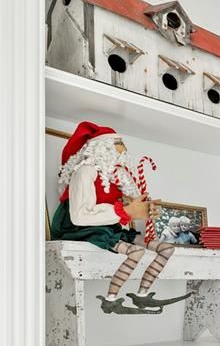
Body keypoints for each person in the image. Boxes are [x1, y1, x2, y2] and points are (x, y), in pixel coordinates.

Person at [50, 121, 189, 314]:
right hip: (81, 229)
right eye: (118, 145)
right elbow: (79, 217)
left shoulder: (117, 176)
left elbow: (128, 209)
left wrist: (144, 210)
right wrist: (125, 212)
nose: (123, 149)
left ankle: (142, 295)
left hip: (110, 227)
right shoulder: (85, 172)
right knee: (136, 252)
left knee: (166, 249)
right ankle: (110, 300)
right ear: (102, 148)